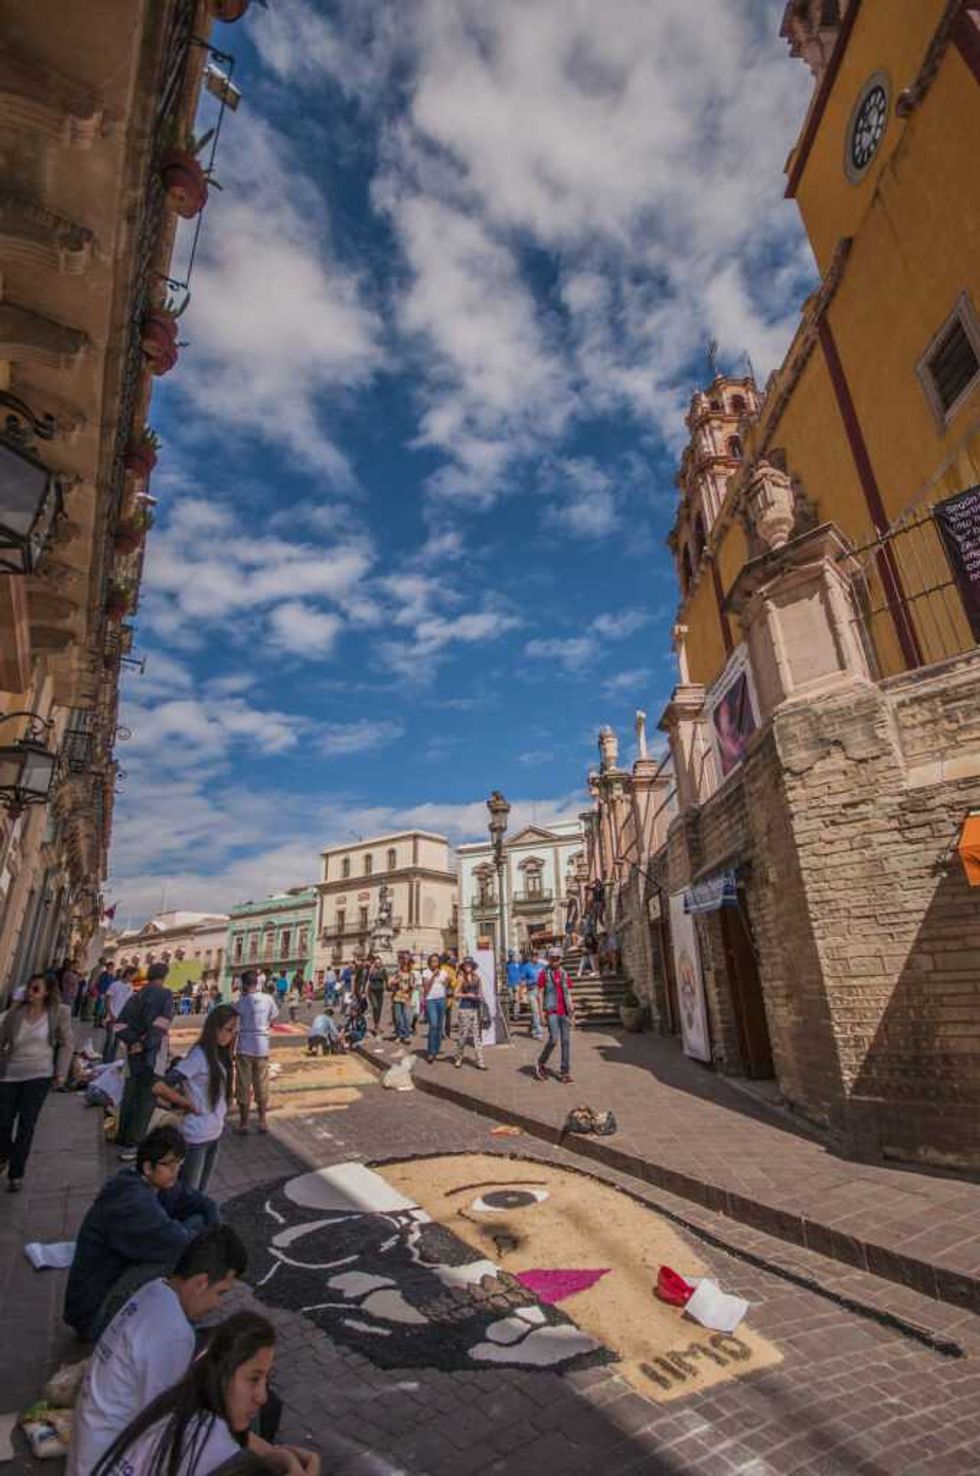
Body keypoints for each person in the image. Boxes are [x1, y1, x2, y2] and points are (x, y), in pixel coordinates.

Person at [68, 1225, 248, 1476]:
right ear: (200, 1283)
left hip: (87, 1449)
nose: (217, 1304)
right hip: (106, 1463)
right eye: (220, 1293)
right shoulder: (174, 1333)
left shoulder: (154, 1288)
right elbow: (167, 1426)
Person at [91, 1311, 320, 1476]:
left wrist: (278, 1456)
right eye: (253, 1379)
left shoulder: (176, 1404)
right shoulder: (220, 1454)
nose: (262, 1396)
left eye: (266, 1379)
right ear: (221, 1375)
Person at [65, 1124, 219, 1343]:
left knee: (198, 1221)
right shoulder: (131, 1200)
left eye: (179, 1163)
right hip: (94, 1316)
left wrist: (216, 1231)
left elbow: (204, 1203)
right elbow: (182, 1245)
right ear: (148, 1167)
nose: (176, 1171)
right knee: (180, 1257)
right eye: (169, 1164)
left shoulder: (159, 1183)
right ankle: (175, 1321)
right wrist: (213, 1248)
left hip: (115, 1282)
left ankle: (166, 1315)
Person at [152, 1005, 238, 1193]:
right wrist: (185, 1103)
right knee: (188, 1193)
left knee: (200, 1192)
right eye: (229, 1029)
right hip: (196, 1135)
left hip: (214, 1132)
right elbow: (160, 1085)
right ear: (215, 1028)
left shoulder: (220, 1054)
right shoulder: (199, 1055)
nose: (231, 1035)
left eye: (234, 1031)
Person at [0, 972, 73, 1192]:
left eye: (36, 989)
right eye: (30, 987)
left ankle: (16, 1173)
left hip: (39, 1075)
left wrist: (61, 1073)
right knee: (3, 1122)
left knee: (26, 1124)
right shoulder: (15, 1013)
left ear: (47, 992)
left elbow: (66, 1043)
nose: (30, 992)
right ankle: (5, 1154)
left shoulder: (58, 1013)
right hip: (10, 1074)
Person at [115, 961, 175, 1160]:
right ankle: (135, 1142)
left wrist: (133, 1041)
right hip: (153, 1053)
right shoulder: (165, 995)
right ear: (164, 976)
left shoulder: (136, 996)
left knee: (131, 1091)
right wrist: (146, 1043)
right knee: (148, 1096)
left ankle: (122, 1134)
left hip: (133, 1053)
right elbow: (162, 1024)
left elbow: (119, 1025)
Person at [235, 969, 278, 1136]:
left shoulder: (241, 1002)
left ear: (244, 985)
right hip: (262, 1046)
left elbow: (235, 1022)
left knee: (243, 1085)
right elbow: (274, 1017)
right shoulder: (268, 999)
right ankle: (262, 1121)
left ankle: (244, 1123)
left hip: (245, 1046)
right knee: (261, 1084)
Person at [534, 947, 576, 1083]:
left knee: (566, 1042)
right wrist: (541, 1014)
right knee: (554, 1040)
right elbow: (539, 994)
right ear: (549, 959)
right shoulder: (544, 973)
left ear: (561, 959)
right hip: (551, 1011)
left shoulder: (564, 973)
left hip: (564, 1012)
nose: (555, 961)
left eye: (557, 958)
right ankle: (540, 1063)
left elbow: (569, 993)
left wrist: (573, 1013)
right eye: (553, 958)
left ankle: (565, 1072)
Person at [453, 959, 487, 1071]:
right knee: (463, 1035)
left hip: (476, 1009)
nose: (468, 966)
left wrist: (480, 996)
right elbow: (455, 994)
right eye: (466, 964)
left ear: (473, 966)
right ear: (463, 966)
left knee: (477, 1036)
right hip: (464, 1009)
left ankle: (480, 1061)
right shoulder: (461, 978)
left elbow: (481, 993)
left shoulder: (477, 978)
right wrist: (467, 995)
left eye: (470, 964)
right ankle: (458, 1057)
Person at [103, 965, 135, 1064]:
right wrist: (110, 1013)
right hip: (112, 1015)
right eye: (133, 975)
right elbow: (107, 999)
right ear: (128, 974)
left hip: (122, 1017)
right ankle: (105, 1060)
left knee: (117, 1041)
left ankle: (111, 1060)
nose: (133, 978)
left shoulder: (130, 987)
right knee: (110, 1040)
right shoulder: (115, 985)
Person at [421, 953, 449, 1064]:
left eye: (436, 961)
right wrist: (433, 976)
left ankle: (436, 1050)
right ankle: (431, 1052)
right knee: (433, 1024)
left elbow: (447, 985)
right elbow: (426, 988)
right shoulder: (426, 973)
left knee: (439, 1026)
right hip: (430, 1000)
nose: (434, 963)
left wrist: (447, 981)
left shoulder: (443, 972)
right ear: (429, 962)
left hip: (441, 1000)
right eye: (432, 961)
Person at [389, 955, 416, 1044]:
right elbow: (391, 984)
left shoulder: (411, 974)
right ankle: (399, 1035)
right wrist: (395, 982)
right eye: (404, 965)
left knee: (406, 1017)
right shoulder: (397, 973)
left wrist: (411, 990)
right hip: (397, 997)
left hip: (406, 997)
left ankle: (406, 1036)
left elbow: (412, 987)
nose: (405, 967)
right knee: (397, 1017)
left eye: (407, 965)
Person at [521, 953, 545, 1040]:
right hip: (531, 991)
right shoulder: (526, 967)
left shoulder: (541, 966)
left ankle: (532, 1027)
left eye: (537, 956)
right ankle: (538, 1033)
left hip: (541, 991)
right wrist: (522, 992)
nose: (536, 957)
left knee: (537, 1012)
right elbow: (523, 980)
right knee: (536, 1011)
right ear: (531, 957)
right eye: (534, 956)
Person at [365, 956, 388, 1036]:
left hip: (380, 991)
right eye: (377, 963)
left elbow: (386, 980)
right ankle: (376, 1025)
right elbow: (367, 980)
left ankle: (376, 1025)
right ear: (375, 963)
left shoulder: (383, 971)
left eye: (379, 963)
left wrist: (389, 987)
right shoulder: (371, 971)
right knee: (375, 1007)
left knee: (379, 1009)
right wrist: (364, 991)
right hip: (372, 991)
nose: (378, 964)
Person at [505, 951, 522, 1021]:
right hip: (510, 984)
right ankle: (513, 1012)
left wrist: (520, 981)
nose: (511, 957)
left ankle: (516, 1015)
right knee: (511, 999)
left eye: (512, 956)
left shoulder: (518, 963)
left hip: (517, 984)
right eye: (510, 956)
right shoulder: (507, 964)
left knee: (516, 1000)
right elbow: (506, 972)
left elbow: (521, 972)